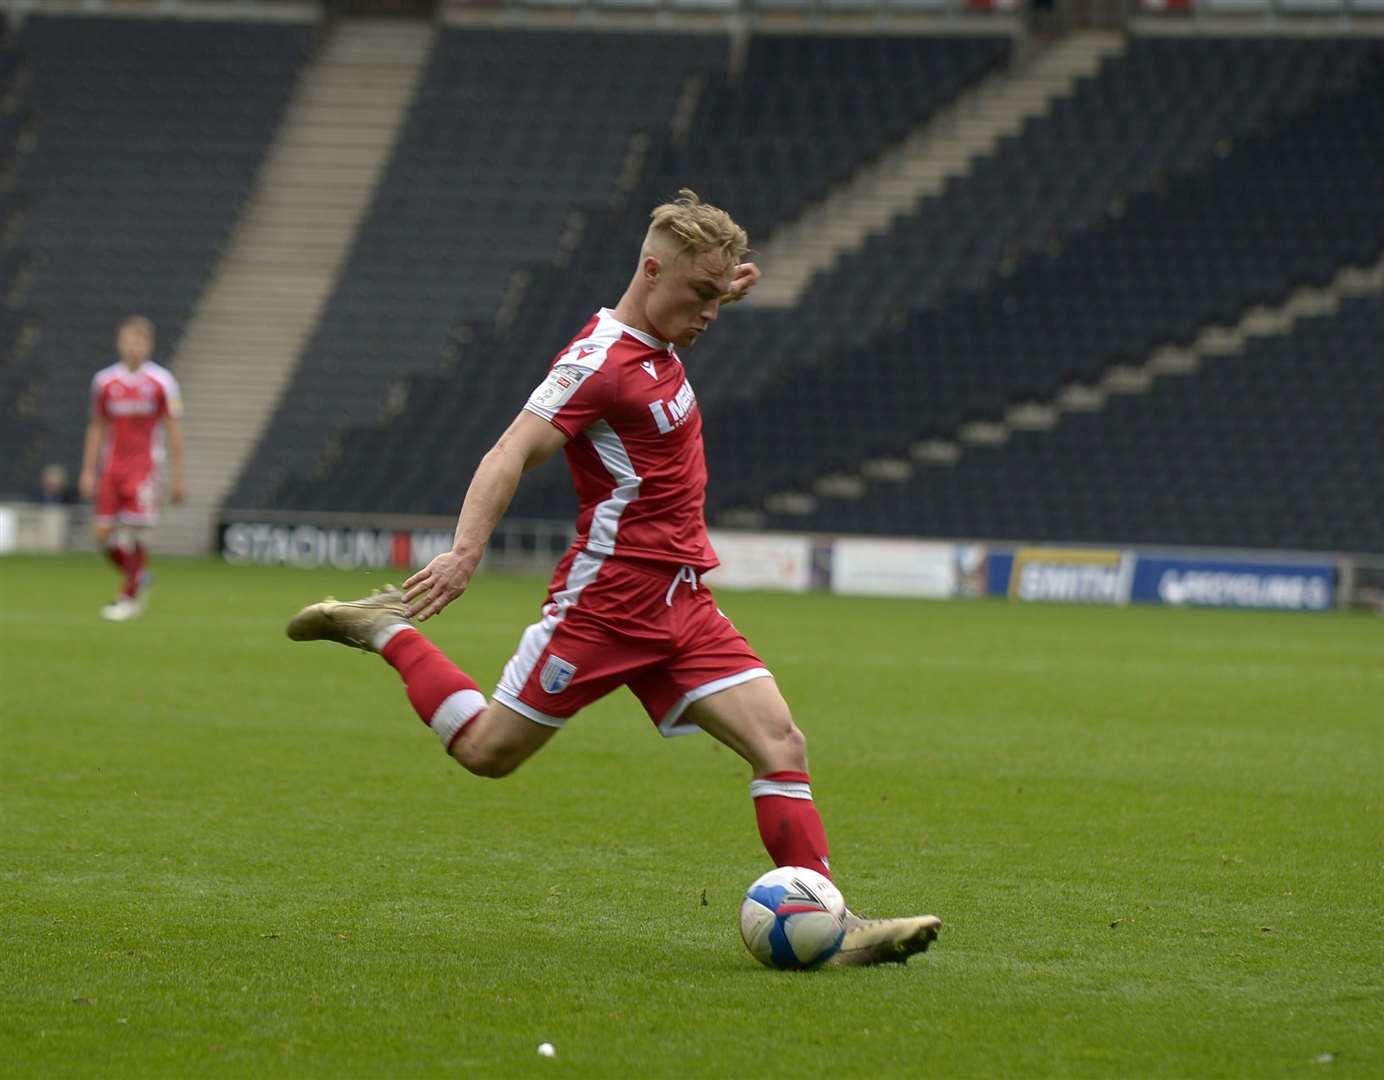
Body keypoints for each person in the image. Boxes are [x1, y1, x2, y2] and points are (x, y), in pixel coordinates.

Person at [287, 191, 940, 965]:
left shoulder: (663, 336)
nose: (709, 314)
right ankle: (383, 629)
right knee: (488, 751)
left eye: (718, 298)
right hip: (605, 605)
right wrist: (466, 550)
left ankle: (836, 928)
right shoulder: (595, 362)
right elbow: (509, 452)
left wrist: (718, 286)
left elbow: (686, 307)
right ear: (651, 270)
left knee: (780, 743)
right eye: (699, 296)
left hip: (683, 603)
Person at [79, 315, 185, 621]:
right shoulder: (104, 382)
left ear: (148, 345)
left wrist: (178, 476)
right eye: (127, 340)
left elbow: (174, 429)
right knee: (102, 536)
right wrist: (88, 470)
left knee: (135, 533)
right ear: (119, 343)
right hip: (111, 467)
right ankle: (138, 576)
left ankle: (128, 597)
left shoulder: (161, 382)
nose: (132, 346)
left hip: (144, 468)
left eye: (138, 341)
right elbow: (97, 427)